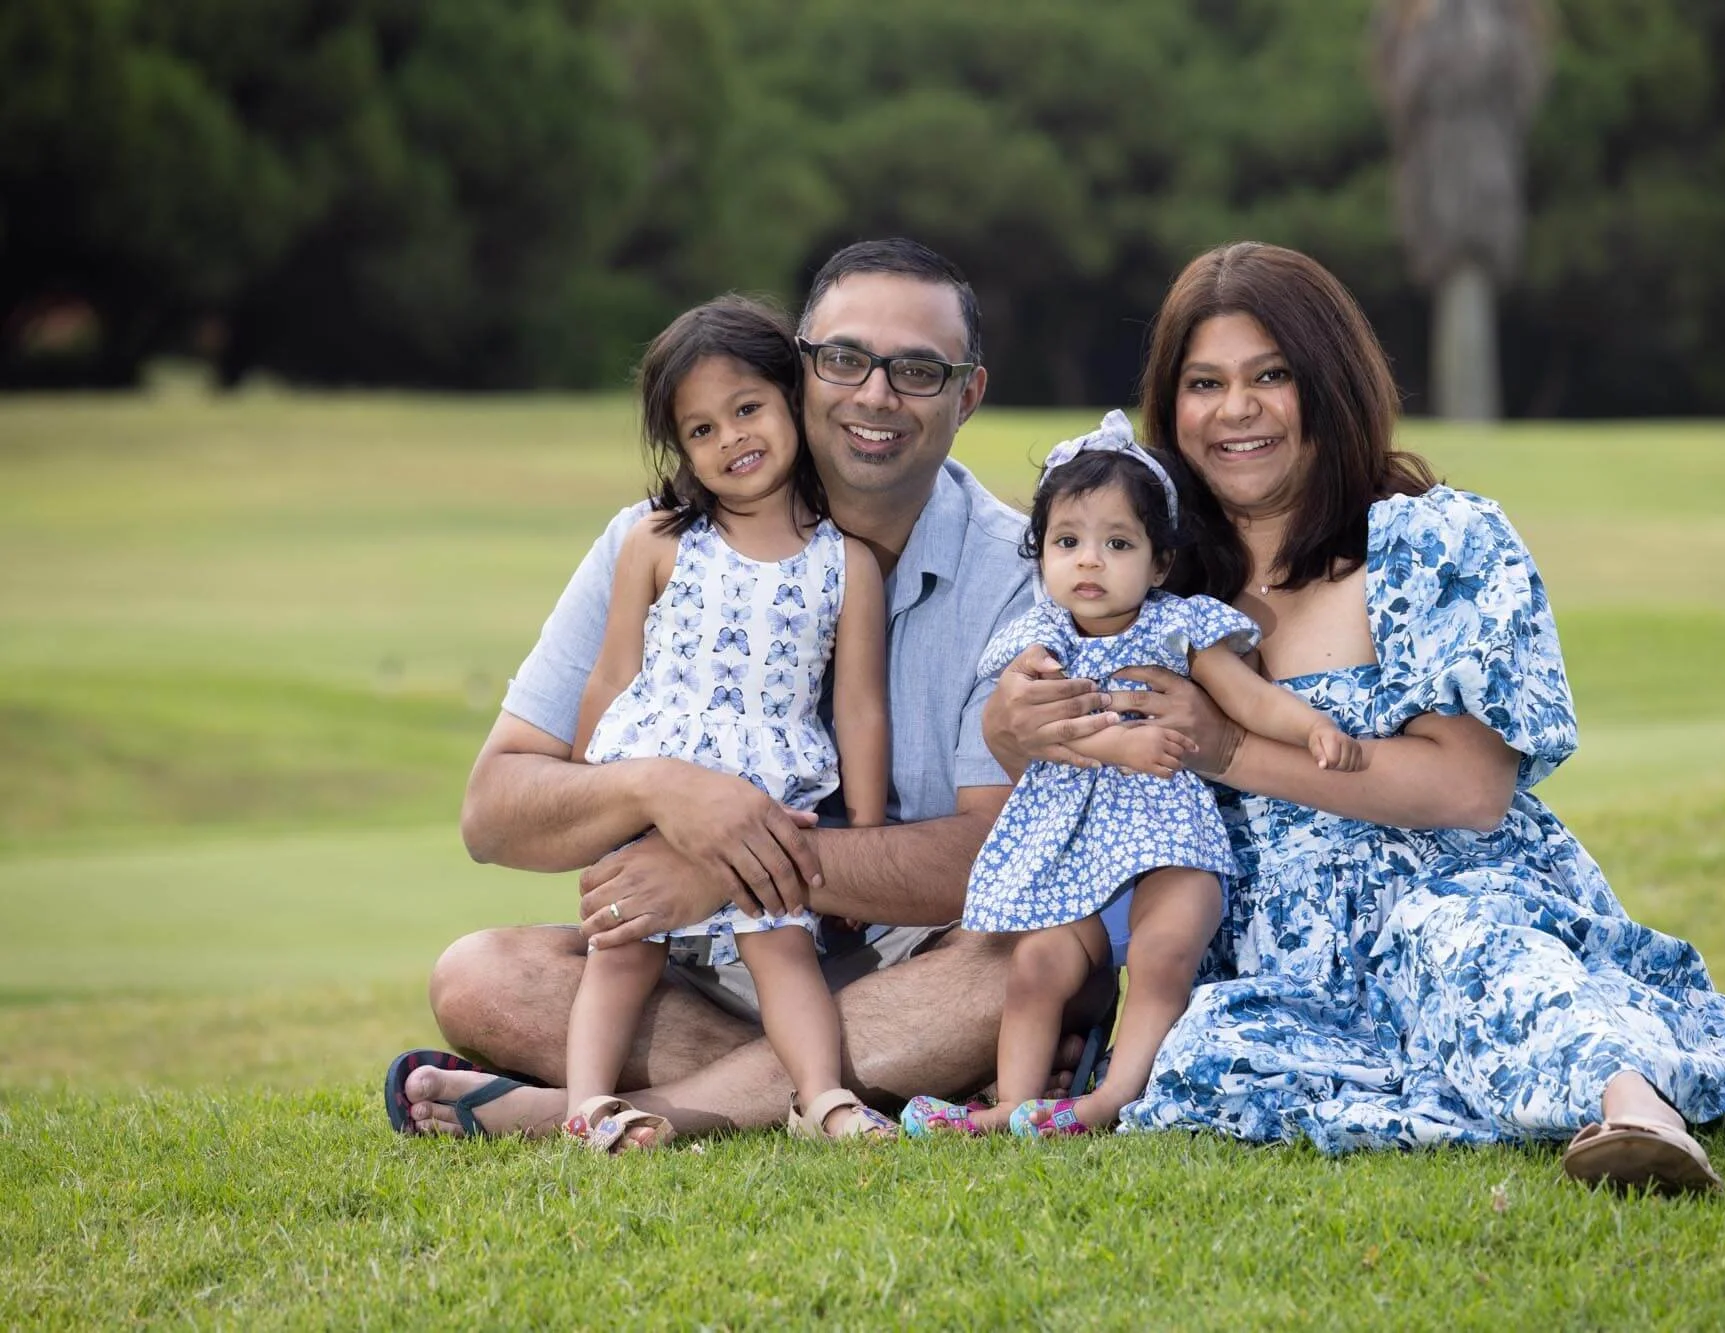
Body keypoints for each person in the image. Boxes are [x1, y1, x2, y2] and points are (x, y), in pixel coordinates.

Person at [985, 242, 1725, 1191]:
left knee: (1473, 960)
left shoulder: (1434, 542)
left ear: (1331, 382)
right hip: (1266, 944)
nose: (1236, 409)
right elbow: (1036, 724)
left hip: (1447, 885)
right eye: (1205, 383)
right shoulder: (1145, 569)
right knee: (1208, 1060)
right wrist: (1017, 725)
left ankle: (1635, 1118)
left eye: (1271, 375)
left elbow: (1471, 791)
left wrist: (1227, 747)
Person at [386, 239, 1087, 1145]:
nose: (876, 395)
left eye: (918, 370)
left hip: (914, 954)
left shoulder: (1024, 575)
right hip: (702, 961)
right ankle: (853, 1084)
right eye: (844, 359)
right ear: (798, 371)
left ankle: (640, 1111)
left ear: (969, 395)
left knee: (1025, 968)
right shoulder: (656, 541)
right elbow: (494, 813)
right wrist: (654, 790)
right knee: (478, 975)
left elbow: (991, 856)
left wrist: (724, 863)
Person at [902, 412, 1364, 1139]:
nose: (1090, 561)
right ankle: (1017, 1107)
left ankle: (1111, 1095)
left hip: (1168, 848)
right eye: (1068, 542)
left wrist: (1308, 726)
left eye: (1117, 543)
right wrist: (1106, 745)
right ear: (1041, 556)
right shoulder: (1039, 638)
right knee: (1036, 965)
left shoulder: (1175, 627)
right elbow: (1027, 728)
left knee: (1161, 954)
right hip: (1076, 854)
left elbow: (1247, 698)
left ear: (1157, 562)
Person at [561, 295, 895, 1148]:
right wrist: (586, 803)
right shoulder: (658, 540)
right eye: (701, 430)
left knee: (780, 948)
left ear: (791, 399)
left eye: (747, 409)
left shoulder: (844, 562)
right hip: (651, 789)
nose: (731, 439)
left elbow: (859, 707)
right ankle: (589, 1103)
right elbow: (612, 676)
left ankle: (824, 1099)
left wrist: (859, 830)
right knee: (624, 948)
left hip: (764, 794)